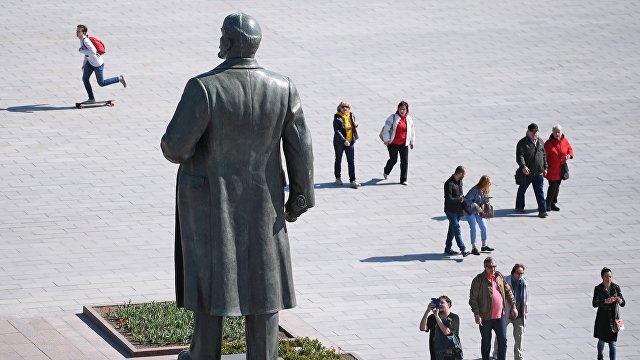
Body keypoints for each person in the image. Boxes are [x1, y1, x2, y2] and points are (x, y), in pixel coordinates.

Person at [161, 13, 314, 360]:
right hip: (266, 207)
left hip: (210, 208)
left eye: (221, 36)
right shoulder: (283, 87)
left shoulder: (203, 88)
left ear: (228, 43)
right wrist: (300, 197)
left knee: (211, 284)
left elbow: (175, 148)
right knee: (264, 286)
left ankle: (203, 355)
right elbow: (301, 146)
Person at [469, 257, 517, 360]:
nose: (493, 269)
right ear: (485, 267)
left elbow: (508, 291)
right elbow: (473, 299)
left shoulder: (499, 277)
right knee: (486, 342)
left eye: (494, 266)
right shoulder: (479, 280)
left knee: (503, 341)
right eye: (490, 267)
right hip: (485, 317)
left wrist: (513, 306)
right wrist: (477, 314)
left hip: (500, 316)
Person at [76, 25, 126, 104]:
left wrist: (81, 51)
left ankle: (119, 79)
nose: (77, 33)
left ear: (84, 32)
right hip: (90, 63)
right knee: (85, 79)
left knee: (101, 83)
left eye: (79, 31)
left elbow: (93, 51)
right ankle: (91, 99)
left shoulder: (86, 41)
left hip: (98, 64)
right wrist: (84, 64)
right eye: (77, 31)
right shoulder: (81, 40)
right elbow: (87, 54)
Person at [493, 264, 528, 360]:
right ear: (513, 272)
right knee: (501, 334)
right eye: (518, 273)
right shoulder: (505, 281)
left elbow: (525, 300)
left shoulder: (523, 283)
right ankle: (496, 352)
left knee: (519, 336)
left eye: (522, 273)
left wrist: (525, 312)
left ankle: (518, 357)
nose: (520, 275)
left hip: (519, 314)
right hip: (506, 313)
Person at [515, 123, 548, 218]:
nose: (535, 134)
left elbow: (544, 156)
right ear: (528, 132)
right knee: (522, 190)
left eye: (536, 132)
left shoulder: (541, 142)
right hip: (527, 173)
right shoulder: (522, 143)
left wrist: (545, 167)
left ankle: (542, 211)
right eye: (533, 132)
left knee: (540, 192)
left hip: (539, 173)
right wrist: (523, 166)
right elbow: (519, 156)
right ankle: (519, 206)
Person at [593, 267, 625, 360]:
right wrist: (604, 301)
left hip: (614, 319)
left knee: (613, 344)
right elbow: (594, 303)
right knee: (601, 341)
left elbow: (623, 303)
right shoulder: (598, 288)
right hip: (602, 320)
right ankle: (600, 355)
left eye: (610, 276)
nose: (609, 278)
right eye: (607, 276)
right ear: (602, 277)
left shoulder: (616, 288)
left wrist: (620, 300)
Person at [381, 100, 415, 185]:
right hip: (393, 143)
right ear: (398, 109)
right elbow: (386, 130)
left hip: (404, 143)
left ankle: (403, 179)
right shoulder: (392, 118)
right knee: (393, 159)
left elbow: (412, 131)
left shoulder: (409, 119)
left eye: (404, 109)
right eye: (400, 109)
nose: (402, 111)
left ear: (407, 110)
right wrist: (386, 140)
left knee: (405, 161)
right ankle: (386, 171)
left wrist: (412, 142)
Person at [419, 295, 462, 360]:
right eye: (438, 302)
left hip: (451, 354)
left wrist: (437, 316)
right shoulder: (432, 317)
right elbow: (422, 328)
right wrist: (427, 311)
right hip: (436, 353)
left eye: (442, 302)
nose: (439, 304)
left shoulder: (454, 317)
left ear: (448, 304)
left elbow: (447, 332)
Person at [544, 124, 574, 211]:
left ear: (562, 132)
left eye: (559, 132)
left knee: (557, 187)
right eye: (555, 132)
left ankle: (553, 203)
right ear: (552, 132)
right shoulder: (548, 144)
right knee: (552, 186)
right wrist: (544, 168)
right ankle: (548, 203)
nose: (557, 134)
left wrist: (569, 155)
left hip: (561, 169)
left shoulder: (564, 140)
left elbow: (570, 149)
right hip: (552, 170)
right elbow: (544, 157)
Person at [464, 175, 495, 255]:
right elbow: (466, 201)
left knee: (483, 226)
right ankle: (474, 247)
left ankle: (484, 245)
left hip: (478, 211)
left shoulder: (484, 190)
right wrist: (476, 205)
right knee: (473, 228)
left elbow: (482, 200)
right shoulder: (474, 190)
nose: (490, 184)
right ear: (484, 183)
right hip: (470, 211)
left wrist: (486, 200)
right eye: (489, 183)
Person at [444, 166, 470, 257]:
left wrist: (463, 209)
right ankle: (463, 249)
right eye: (463, 174)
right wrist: (459, 200)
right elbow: (449, 199)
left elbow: (461, 195)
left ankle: (448, 248)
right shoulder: (449, 183)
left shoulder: (460, 182)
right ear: (459, 173)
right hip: (450, 210)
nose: (464, 176)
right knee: (457, 229)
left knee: (452, 229)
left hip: (458, 210)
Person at [333, 101, 360, 188]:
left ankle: (353, 180)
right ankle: (338, 178)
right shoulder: (337, 118)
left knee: (351, 161)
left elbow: (354, 125)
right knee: (338, 159)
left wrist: (356, 124)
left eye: (346, 107)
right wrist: (344, 140)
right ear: (340, 108)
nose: (345, 108)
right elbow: (337, 131)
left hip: (350, 142)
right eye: (343, 107)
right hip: (339, 143)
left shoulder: (351, 115)